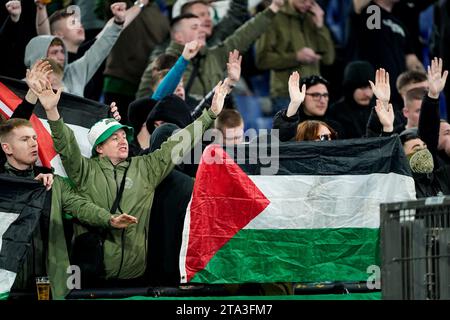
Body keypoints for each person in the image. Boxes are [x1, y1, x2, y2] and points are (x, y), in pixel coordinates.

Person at [37, 72, 231, 286]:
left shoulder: (145, 168)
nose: (122, 141)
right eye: (114, 138)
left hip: (136, 278)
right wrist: (52, 111)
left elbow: (177, 145)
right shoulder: (85, 171)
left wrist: (210, 114)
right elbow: (67, 146)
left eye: (123, 136)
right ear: (99, 148)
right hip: (93, 278)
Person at [0, 118, 137, 299]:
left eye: (34, 138)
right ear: (7, 148)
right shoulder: (3, 186)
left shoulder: (51, 182)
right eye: (25, 140)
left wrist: (109, 219)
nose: (34, 143)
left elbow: (80, 206)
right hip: (7, 280)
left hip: (45, 280)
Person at [137, 0, 286, 101]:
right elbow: (143, 100)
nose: (202, 27)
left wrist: (273, 9)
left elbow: (244, 36)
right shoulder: (163, 59)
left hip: (209, 132)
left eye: (206, 18)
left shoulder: (213, 55)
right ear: (178, 36)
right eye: (195, 26)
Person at [370, 57, 450, 198]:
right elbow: (378, 152)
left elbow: (429, 131)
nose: (423, 152)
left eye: (424, 147)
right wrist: (386, 123)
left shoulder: (441, 176)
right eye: (416, 149)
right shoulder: (397, 184)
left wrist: (433, 95)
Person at [23, 2, 129, 97]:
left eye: (62, 52)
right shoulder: (21, 87)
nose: (61, 57)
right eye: (54, 52)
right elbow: (44, 35)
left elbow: (101, 48)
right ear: (40, 55)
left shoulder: (75, 72)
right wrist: (41, 8)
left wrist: (118, 23)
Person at [255, 0, 335, 114]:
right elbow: (261, 60)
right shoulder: (274, 17)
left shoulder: (313, 17)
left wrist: (320, 27)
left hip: (314, 95)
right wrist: (296, 57)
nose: (307, 4)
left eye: (311, 0)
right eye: (303, 1)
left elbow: (328, 59)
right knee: (288, 131)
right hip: (286, 96)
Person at [272, 71, 343, 141]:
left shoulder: (336, 127)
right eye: (316, 95)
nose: (322, 100)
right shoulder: (294, 128)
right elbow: (278, 142)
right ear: (302, 97)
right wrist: (294, 104)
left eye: (325, 95)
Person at [327, 60, 374, 139]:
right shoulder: (335, 112)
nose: (368, 94)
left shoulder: (377, 110)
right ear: (350, 89)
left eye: (371, 87)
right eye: (362, 88)